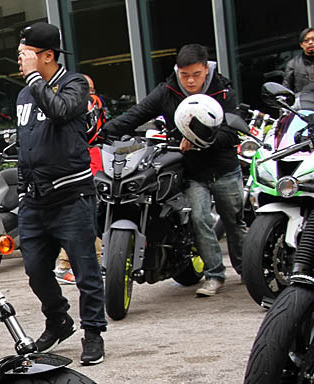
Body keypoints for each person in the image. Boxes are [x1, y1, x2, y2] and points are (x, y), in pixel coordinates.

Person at [101, 43, 244, 297]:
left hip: (224, 167)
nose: (189, 80)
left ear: (206, 69)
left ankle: (247, 269)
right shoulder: (166, 90)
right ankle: (214, 276)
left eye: (196, 74)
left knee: (234, 222)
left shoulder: (223, 90)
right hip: (191, 170)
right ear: (177, 70)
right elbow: (136, 114)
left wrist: (202, 139)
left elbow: (232, 133)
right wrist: (101, 132)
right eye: (184, 74)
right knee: (199, 219)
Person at [15, 22, 106, 365]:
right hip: (35, 201)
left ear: (48, 55)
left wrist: (36, 79)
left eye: (26, 54)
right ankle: (59, 321)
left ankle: (94, 333)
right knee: (36, 270)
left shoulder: (75, 84)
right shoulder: (24, 94)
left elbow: (59, 111)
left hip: (72, 198)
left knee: (85, 270)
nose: (20, 60)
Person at [55, 73, 106, 285]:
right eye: (87, 90)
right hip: (78, 173)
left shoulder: (95, 107)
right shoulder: (68, 109)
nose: (90, 94)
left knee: (92, 219)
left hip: (97, 166)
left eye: (92, 90)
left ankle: (94, 263)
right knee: (81, 221)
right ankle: (65, 266)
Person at [284, 28, 314, 93]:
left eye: (313, 39)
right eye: (306, 41)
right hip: (304, 102)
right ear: (301, 45)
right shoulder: (293, 64)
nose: (310, 42)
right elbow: (286, 91)